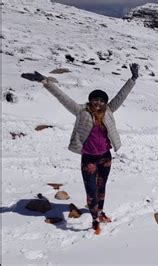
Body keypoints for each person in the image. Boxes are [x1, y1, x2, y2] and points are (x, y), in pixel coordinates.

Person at [26, 63, 139, 234]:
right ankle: (94, 217)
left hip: (105, 157)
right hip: (89, 159)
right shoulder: (81, 111)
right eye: (96, 100)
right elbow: (63, 97)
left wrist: (133, 79)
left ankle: (100, 212)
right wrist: (45, 81)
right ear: (90, 100)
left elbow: (121, 96)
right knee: (91, 189)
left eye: (101, 100)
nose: (98, 103)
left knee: (102, 187)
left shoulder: (109, 110)